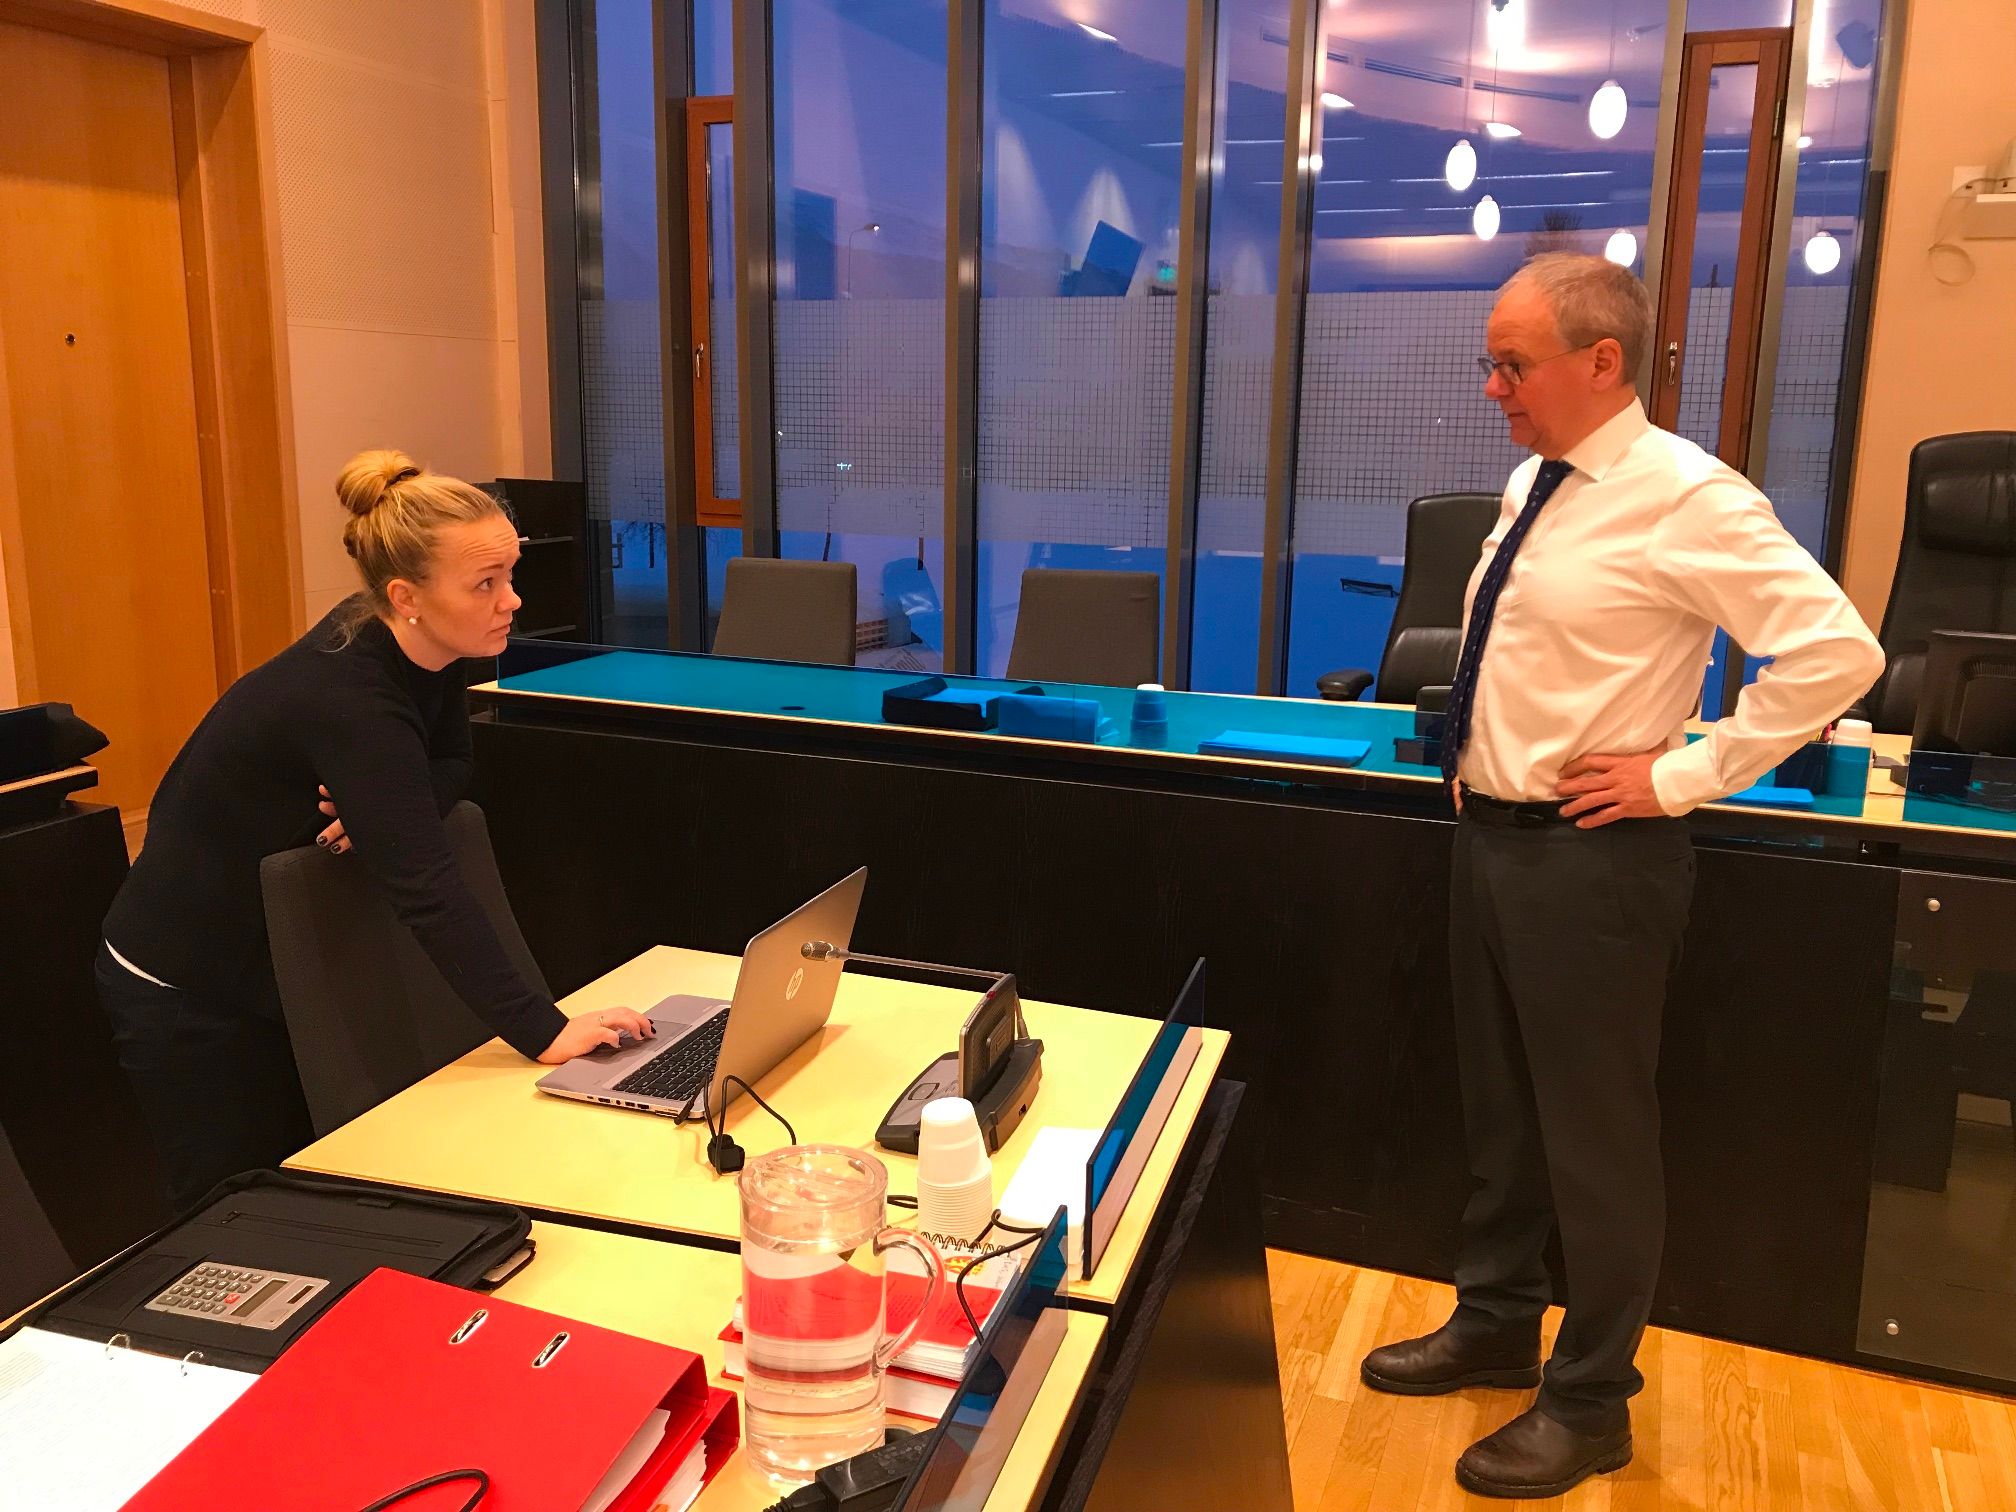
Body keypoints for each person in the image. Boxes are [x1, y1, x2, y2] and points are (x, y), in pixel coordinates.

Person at [1358, 254, 1885, 1499]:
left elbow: (1837, 652)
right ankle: (1497, 1321)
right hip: (1491, 841)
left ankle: (1591, 1400)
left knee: (1594, 1143)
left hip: (1595, 863)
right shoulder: (1533, 481)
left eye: (1512, 364)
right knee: (1503, 1117)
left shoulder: (1688, 497)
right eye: (1489, 362)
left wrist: (1689, 771)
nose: (1492, 387)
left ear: (1603, 361)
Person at [98, 450, 655, 1212]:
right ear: (406, 595)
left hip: (271, 956)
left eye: (510, 575)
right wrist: (544, 1030)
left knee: (311, 1187)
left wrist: (391, 805)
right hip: (183, 978)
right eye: (486, 584)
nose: (512, 600)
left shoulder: (429, 646)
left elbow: (454, 761)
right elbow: (429, 889)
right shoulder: (352, 698)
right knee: (233, 1211)